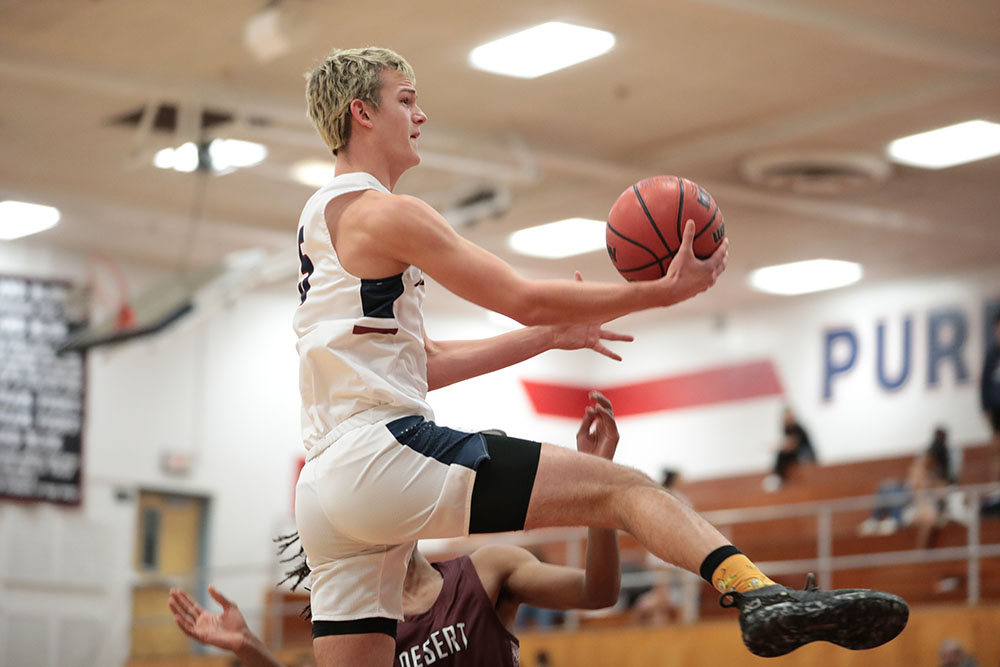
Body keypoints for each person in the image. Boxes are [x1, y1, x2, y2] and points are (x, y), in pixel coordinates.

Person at [293, 46, 907, 665]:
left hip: (324, 492)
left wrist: (550, 338)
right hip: (380, 454)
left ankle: (762, 596)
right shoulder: (385, 213)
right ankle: (758, 593)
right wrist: (658, 292)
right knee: (625, 490)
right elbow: (522, 296)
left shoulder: (319, 223)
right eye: (406, 100)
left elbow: (428, 362)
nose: (420, 115)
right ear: (362, 114)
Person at [170, 394, 625, 666]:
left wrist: (597, 480)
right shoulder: (358, 616)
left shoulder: (488, 570)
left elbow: (597, 592)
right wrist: (248, 646)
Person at [763, 407, 816, 491]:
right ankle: (777, 477)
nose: (787, 418)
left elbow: (792, 445)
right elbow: (787, 444)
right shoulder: (786, 429)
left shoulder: (798, 428)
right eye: (785, 417)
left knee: (782, 454)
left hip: (805, 454)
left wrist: (776, 446)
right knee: (782, 454)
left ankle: (777, 477)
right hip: (795, 454)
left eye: (788, 416)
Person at [981, 311, 1000, 483]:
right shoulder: (992, 355)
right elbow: (984, 384)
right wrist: (985, 409)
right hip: (996, 409)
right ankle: (997, 486)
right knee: (996, 448)